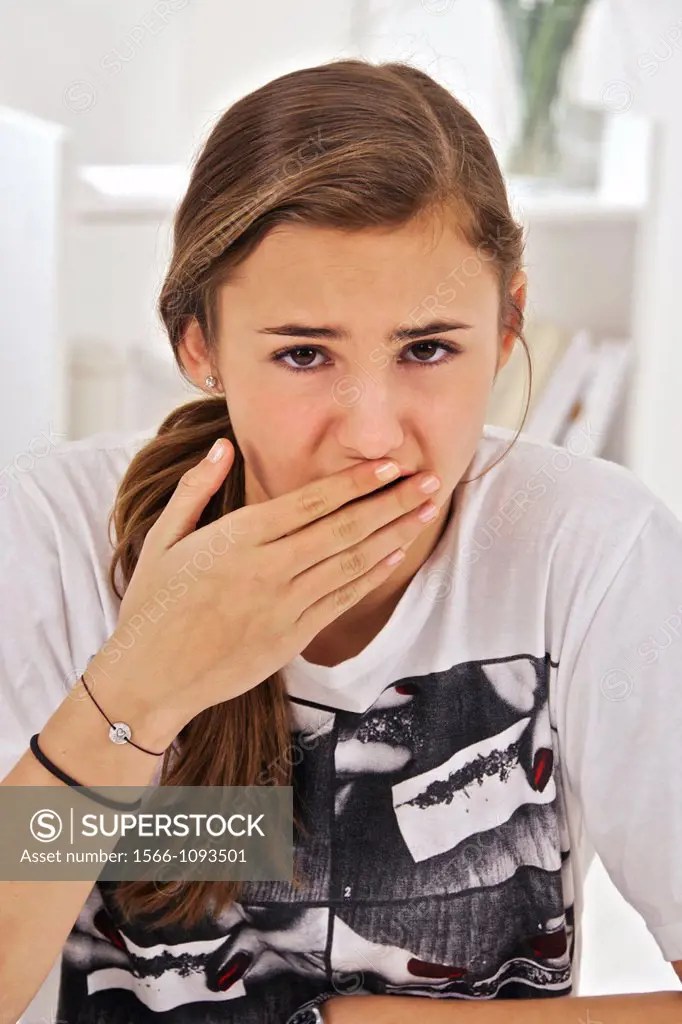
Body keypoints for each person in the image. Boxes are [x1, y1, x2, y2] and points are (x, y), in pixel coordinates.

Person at [1, 57, 681, 1024]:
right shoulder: (41, 538)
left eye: (428, 349)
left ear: (510, 322)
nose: (371, 432)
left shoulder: (593, 554)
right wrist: (142, 687)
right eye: (304, 354)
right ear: (198, 344)